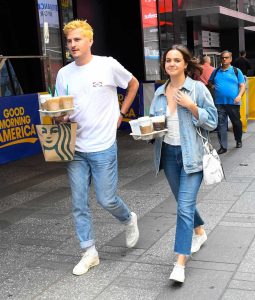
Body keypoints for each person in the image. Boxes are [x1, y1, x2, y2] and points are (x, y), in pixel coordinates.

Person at [54, 19, 140, 276]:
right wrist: (60, 118)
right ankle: (89, 251)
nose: (72, 44)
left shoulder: (107, 65)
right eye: (69, 41)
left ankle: (128, 218)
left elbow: (133, 83)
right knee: (79, 202)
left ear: (90, 41)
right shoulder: (63, 74)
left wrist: (122, 113)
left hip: (103, 145)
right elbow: (62, 110)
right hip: (76, 148)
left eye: (77, 39)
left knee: (106, 198)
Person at [149, 45, 217, 283]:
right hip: (168, 155)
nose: (172, 64)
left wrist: (191, 106)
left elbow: (213, 122)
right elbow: (154, 123)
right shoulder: (159, 93)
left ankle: (179, 262)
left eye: (177, 60)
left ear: (186, 64)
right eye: (168, 60)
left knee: (183, 207)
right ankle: (199, 231)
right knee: (183, 202)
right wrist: (147, 130)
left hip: (192, 157)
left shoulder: (197, 89)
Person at [209, 50, 246, 154]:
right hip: (219, 103)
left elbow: (242, 85)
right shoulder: (216, 71)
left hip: (233, 102)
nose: (224, 59)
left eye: (226, 57)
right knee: (221, 125)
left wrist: (239, 96)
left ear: (230, 59)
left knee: (236, 123)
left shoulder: (236, 71)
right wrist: (212, 86)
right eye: (222, 58)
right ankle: (223, 146)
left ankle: (238, 140)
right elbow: (210, 82)